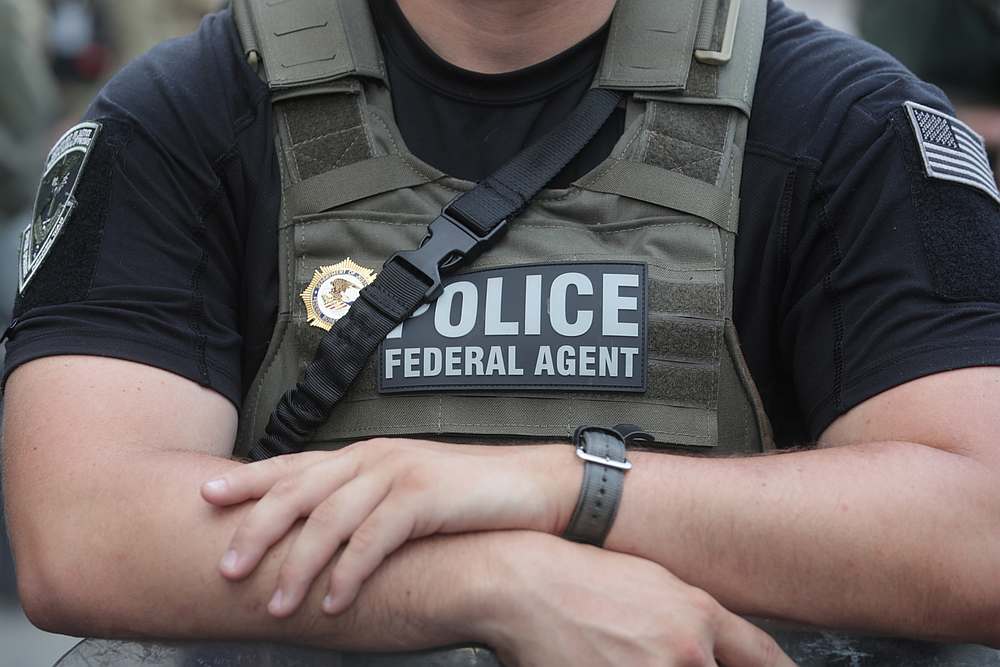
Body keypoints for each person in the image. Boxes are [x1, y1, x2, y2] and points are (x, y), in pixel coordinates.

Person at [3, 1, 1000, 665]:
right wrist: (494, 577)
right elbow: (86, 531)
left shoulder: (843, 120)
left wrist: (564, 483)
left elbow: (977, 529)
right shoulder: (183, 114)